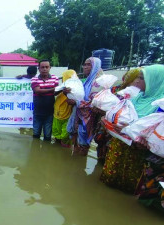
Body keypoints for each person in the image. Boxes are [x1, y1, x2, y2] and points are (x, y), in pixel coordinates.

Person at [100, 65, 164, 194]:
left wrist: (131, 131)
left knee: (129, 187)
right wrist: (107, 121)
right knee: (109, 179)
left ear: (155, 81)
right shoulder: (134, 97)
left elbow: (157, 134)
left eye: (142, 78)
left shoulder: (160, 105)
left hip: (138, 153)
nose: (136, 81)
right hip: (119, 145)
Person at [93, 68, 140, 161]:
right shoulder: (114, 90)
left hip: (122, 134)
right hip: (106, 127)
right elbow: (102, 104)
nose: (138, 81)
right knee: (102, 149)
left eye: (141, 78)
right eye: (137, 78)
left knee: (114, 157)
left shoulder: (138, 96)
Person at [66, 57, 104, 155]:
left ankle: (79, 166)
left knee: (83, 143)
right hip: (78, 116)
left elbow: (96, 103)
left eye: (89, 65)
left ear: (95, 66)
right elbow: (79, 95)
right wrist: (68, 94)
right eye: (85, 64)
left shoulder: (99, 83)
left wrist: (76, 103)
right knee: (76, 142)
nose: (85, 67)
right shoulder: (86, 81)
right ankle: (75, 163)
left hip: (89, 119)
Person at [31, 60, 59, 141]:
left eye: (47, 67)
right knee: (36, 136)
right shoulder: (34, 79)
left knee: (47, 136)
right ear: (38, 68)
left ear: (50, 68)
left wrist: (62, 89)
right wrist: (53, 89)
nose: (44, 69)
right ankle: (36, 153)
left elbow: (56, 92)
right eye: (42, 67)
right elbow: (37, 91)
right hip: (37, 113)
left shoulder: (55, 78)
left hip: (50, 112)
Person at [52, 70, 77, 147]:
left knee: (65, 138)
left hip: (67, 117)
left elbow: (75, 102)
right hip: (57, 116)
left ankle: (64, 154)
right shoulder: (61, 88)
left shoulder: (76, 90)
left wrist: (67, 93)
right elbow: (53, 93)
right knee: (56, 136)